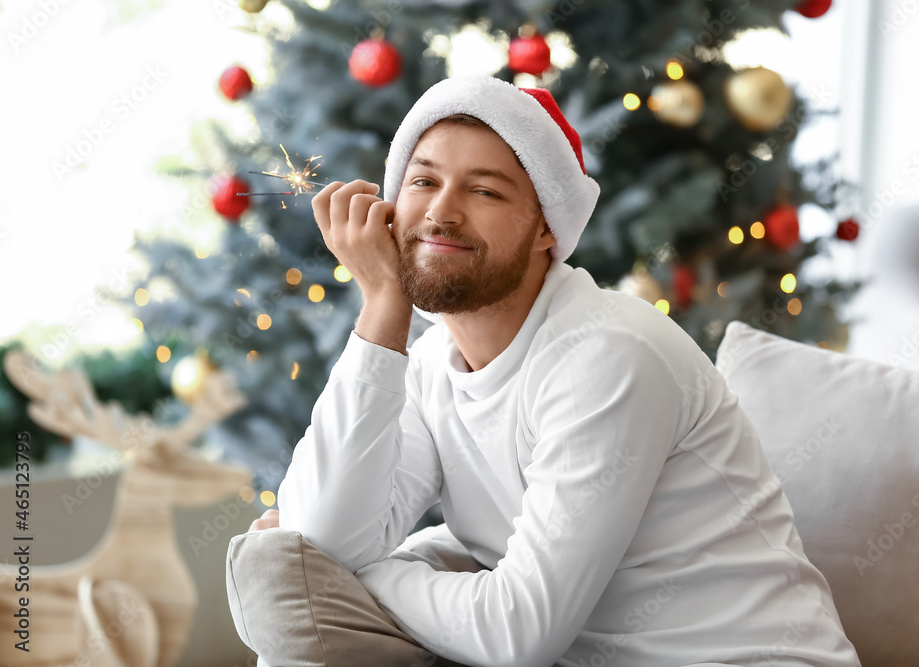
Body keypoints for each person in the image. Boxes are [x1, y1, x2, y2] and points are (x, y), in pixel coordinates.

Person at [235, 76, 861, 666]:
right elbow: (325, 535)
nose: (442, 214)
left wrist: (375, 570)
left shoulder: (607, 356)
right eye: (423, 182)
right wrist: (382, 306)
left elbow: (519, 633)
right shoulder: (426, 362)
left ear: (545, 229)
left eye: (484, 191)